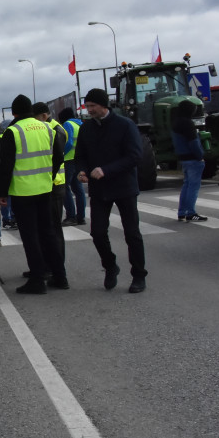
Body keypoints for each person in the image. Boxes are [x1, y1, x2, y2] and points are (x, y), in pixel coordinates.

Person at [75, 88, 148, 293]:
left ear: (104, 105)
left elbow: (134, 155)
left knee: (132, 234)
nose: (89, 110)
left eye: (93, 106)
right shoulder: (86, 128)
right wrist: (81, 170)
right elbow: (80, 154)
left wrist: (105, 170)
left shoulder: (125, 125)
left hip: (124, 187)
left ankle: (139, 275)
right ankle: (110, 266)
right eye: (87, 106)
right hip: (99, 189)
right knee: (97, 232)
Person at [0, 95, 67, 294]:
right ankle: (60, 276)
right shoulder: (47, 128)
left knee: (30, 236)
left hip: (23, 192)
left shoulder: (13, 131)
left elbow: (6, 165)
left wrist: (2, 192)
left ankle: (37, 279)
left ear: (14, 113)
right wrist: (48, 176)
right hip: (45, 189)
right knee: (49, 232)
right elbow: (58, 156)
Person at [34, 102, 68, 260]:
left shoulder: (55, 130)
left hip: (55, 184)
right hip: (48, 184)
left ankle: (57, 266)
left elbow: (56, 158)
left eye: (35, 118)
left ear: (44, 116)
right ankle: (47, 264)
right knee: (45, 228)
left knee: (54, 229)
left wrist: (48, 176)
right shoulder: (49, 129)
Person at [171, 99, 208, 222]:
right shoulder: (188, 124)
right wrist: (200, 156)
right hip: (193, 158)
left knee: (186, 185)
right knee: (193, 186)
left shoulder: (176, 123)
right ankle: (191, 212)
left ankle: (182, 212)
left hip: (183, 158)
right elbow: (194, 143)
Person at [58, 107, 86, 226]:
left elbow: (68, 142)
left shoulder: (68, 124)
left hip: (69, 159)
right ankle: (81, 217)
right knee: (78, 189)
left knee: (65, 188)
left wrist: (61, 153)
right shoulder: (80, 124)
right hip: (78, 160)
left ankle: (71, 216)